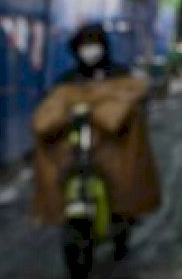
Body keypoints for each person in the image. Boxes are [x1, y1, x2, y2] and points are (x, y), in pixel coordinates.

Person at [32, 23, 161, 263]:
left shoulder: (118, 74)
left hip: (111, 144)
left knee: (122, 173)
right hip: (78, 143)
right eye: (84, 46)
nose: (90, 51)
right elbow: (50, 111)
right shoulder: (69, 80)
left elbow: (131, 99)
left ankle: (124, 216)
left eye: (94, 45)